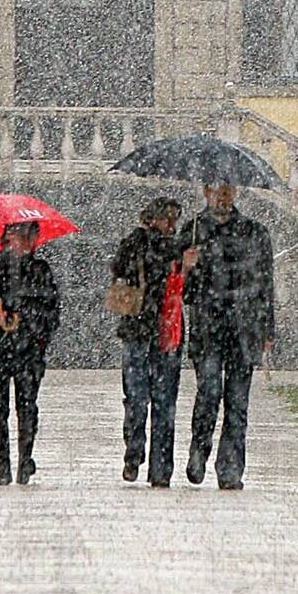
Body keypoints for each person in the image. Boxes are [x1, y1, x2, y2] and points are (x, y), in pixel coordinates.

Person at [184, 182, 276, 490]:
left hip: (243, 328)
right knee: (209, 392)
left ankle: (231, 468)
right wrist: (186, 267)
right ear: (206, 192)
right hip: (208, 328)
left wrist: (267, 328)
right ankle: (199, 449)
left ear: (234, 193)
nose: (222, 197)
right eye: (217, 191)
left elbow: (265, 285)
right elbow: (183, 292)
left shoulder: (254, 232)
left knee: (237, 403)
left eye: (227, 191)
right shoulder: (193, 232)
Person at [0, 220, 61, 484]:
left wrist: (27, 321)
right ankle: (3, 465)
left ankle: (25, 460)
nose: (27, 242)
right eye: (22, 235)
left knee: (27, 407)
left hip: (28, 350)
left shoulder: (40, 269)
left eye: (31, 236)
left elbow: (52, 311)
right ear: (8, 236)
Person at [108, 195, 186, 487]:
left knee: (164, 403)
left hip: (167, 329)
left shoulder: (180, 247)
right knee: (137, 399)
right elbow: (120, 269)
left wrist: (187, 267)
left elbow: (190, 289)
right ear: (151, 219)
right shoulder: (135, 242)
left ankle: (161, 469)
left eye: (174, 220)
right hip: (139, 329)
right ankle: (135, 451)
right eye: (166, 219)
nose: (170, 225)